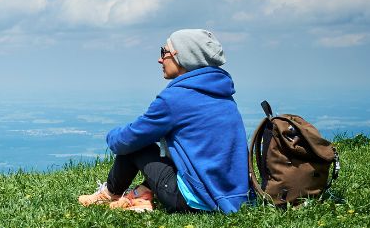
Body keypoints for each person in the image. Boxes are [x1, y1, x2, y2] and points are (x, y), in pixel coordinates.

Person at [78, 29, 248, 213]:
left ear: (184, 56)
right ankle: (142, 194)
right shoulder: (222, 94)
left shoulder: (175, 98)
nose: (160, 59)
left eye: (164, 52)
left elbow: (127, 140)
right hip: (232, 196)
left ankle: (110, 193)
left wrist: (111, 136)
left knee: (136, 146)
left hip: (195, 199)